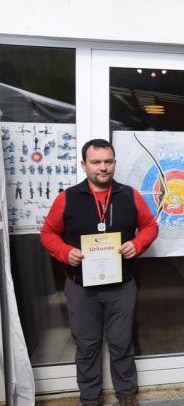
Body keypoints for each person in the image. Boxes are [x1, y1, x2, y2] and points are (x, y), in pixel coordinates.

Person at [40, 139, 159, 406]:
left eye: (108, 161)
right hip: (81, 287)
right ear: (84, 165)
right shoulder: (66, 198)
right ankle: (90, 399)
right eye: (96, 162)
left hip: (121, 286)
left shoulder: (129, 195)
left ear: (114, 163)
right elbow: (47, 234)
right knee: (87, 347)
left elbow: (150, 226)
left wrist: (137, 244)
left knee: (121, 344)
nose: (103, 168)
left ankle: (127, 395)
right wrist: (64, 252)